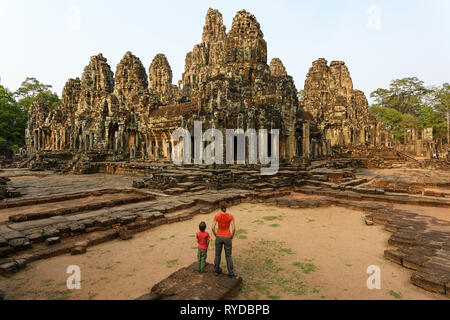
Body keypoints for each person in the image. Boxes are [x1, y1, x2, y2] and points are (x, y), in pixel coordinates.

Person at [212, 204, 236, 278]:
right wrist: (232, 235)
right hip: (227, 236)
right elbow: (234, 228)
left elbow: (212, 227)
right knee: (228, 256)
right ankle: (231, 273)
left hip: (219, 236)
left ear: (220, 208)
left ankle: (216, 270)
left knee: (217, 255)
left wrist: (215, 234)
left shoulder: (217, 216)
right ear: (226, 207)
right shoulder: (230, 216)